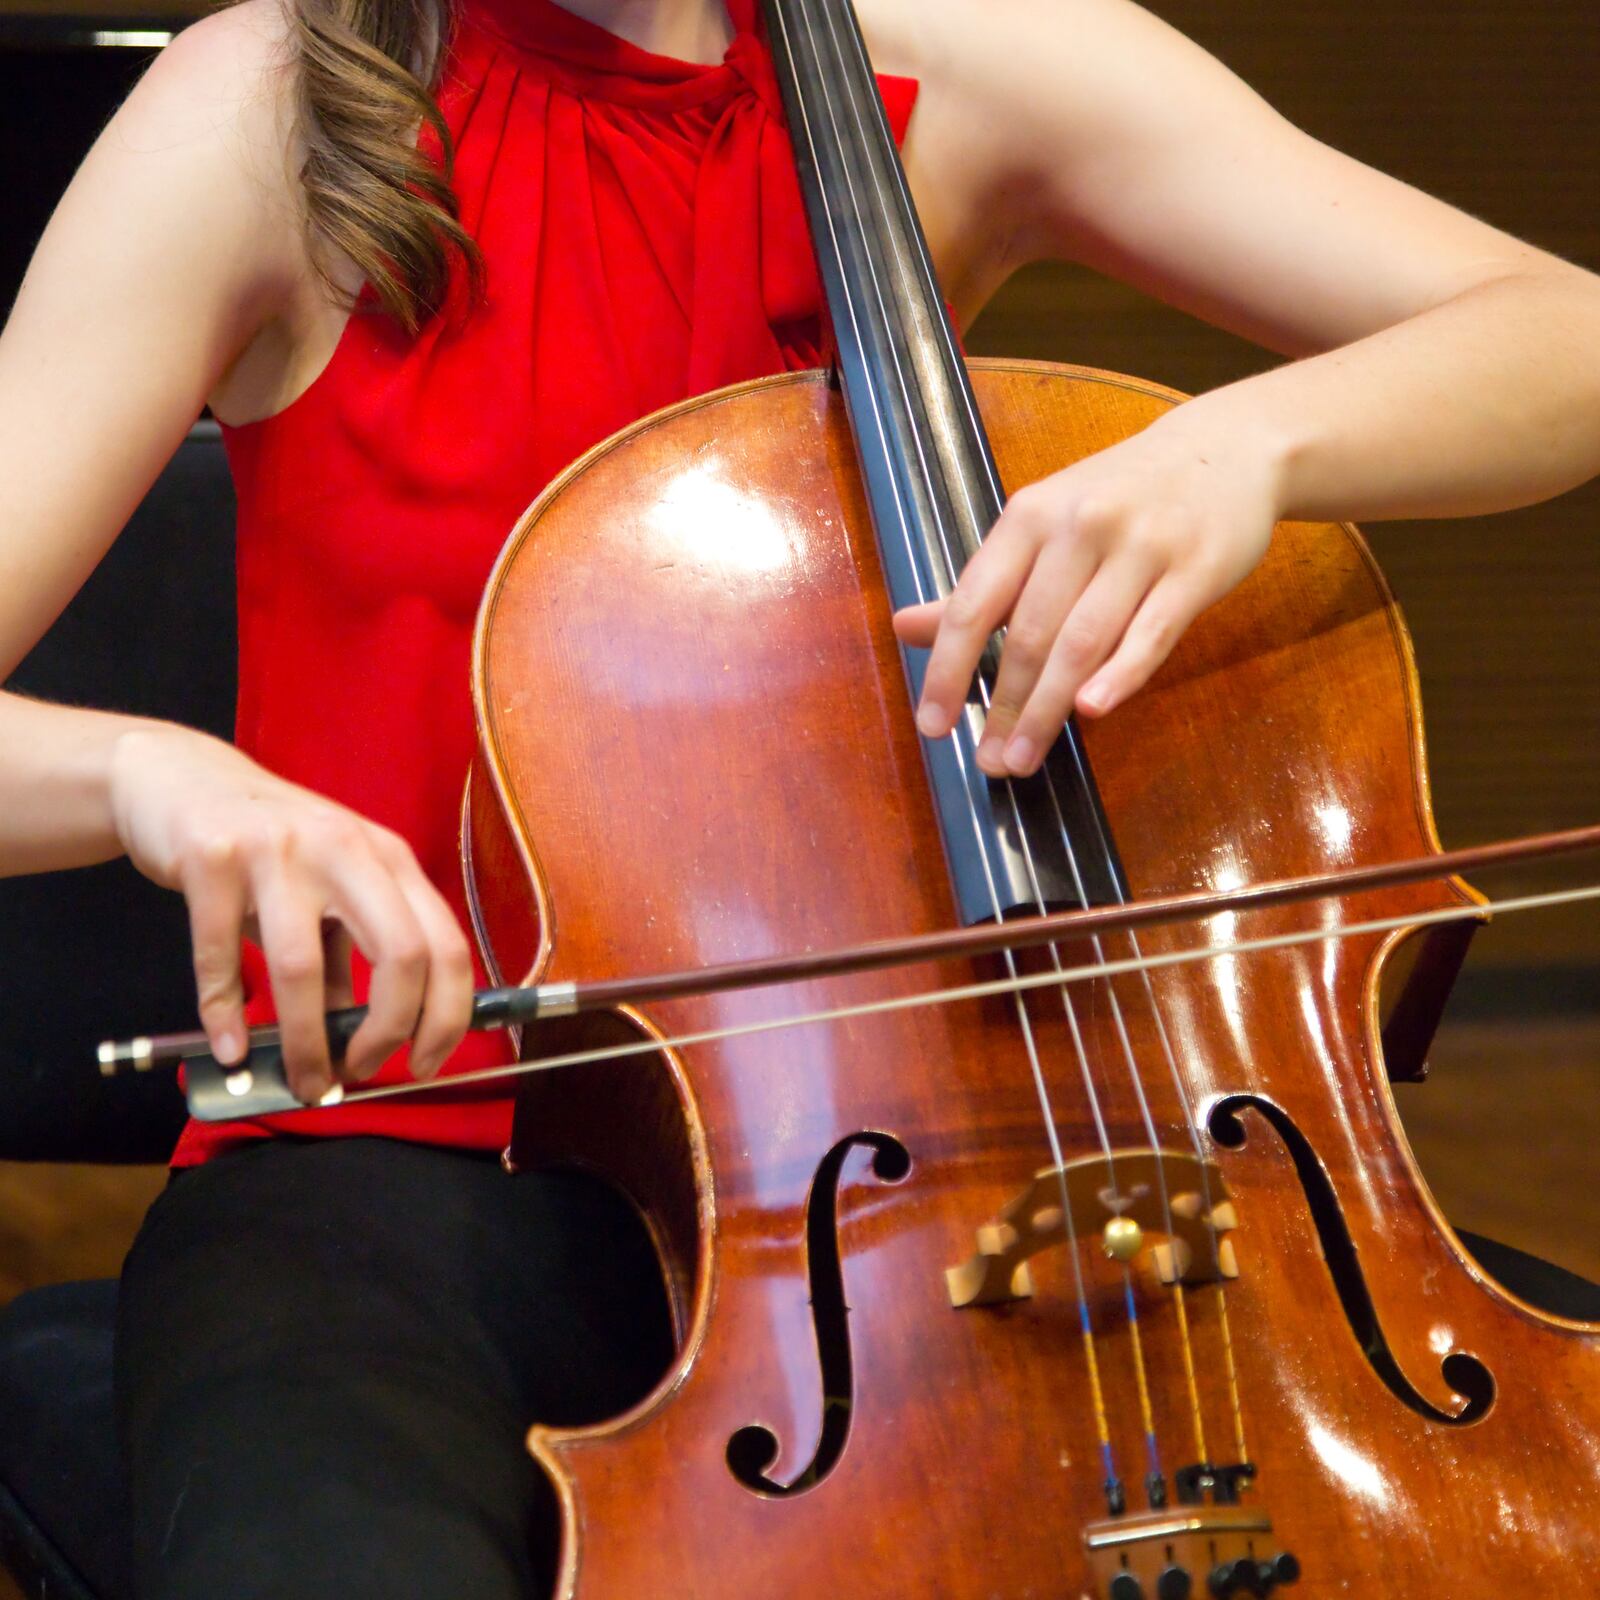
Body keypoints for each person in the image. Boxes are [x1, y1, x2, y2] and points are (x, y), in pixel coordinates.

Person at [1, 0, 1597, 1594]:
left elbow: (1562, 333)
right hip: (399, 1171)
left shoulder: (958, 55)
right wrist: (149, 773)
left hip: (928, 1154)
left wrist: (1249, 443)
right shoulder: (272, 106)